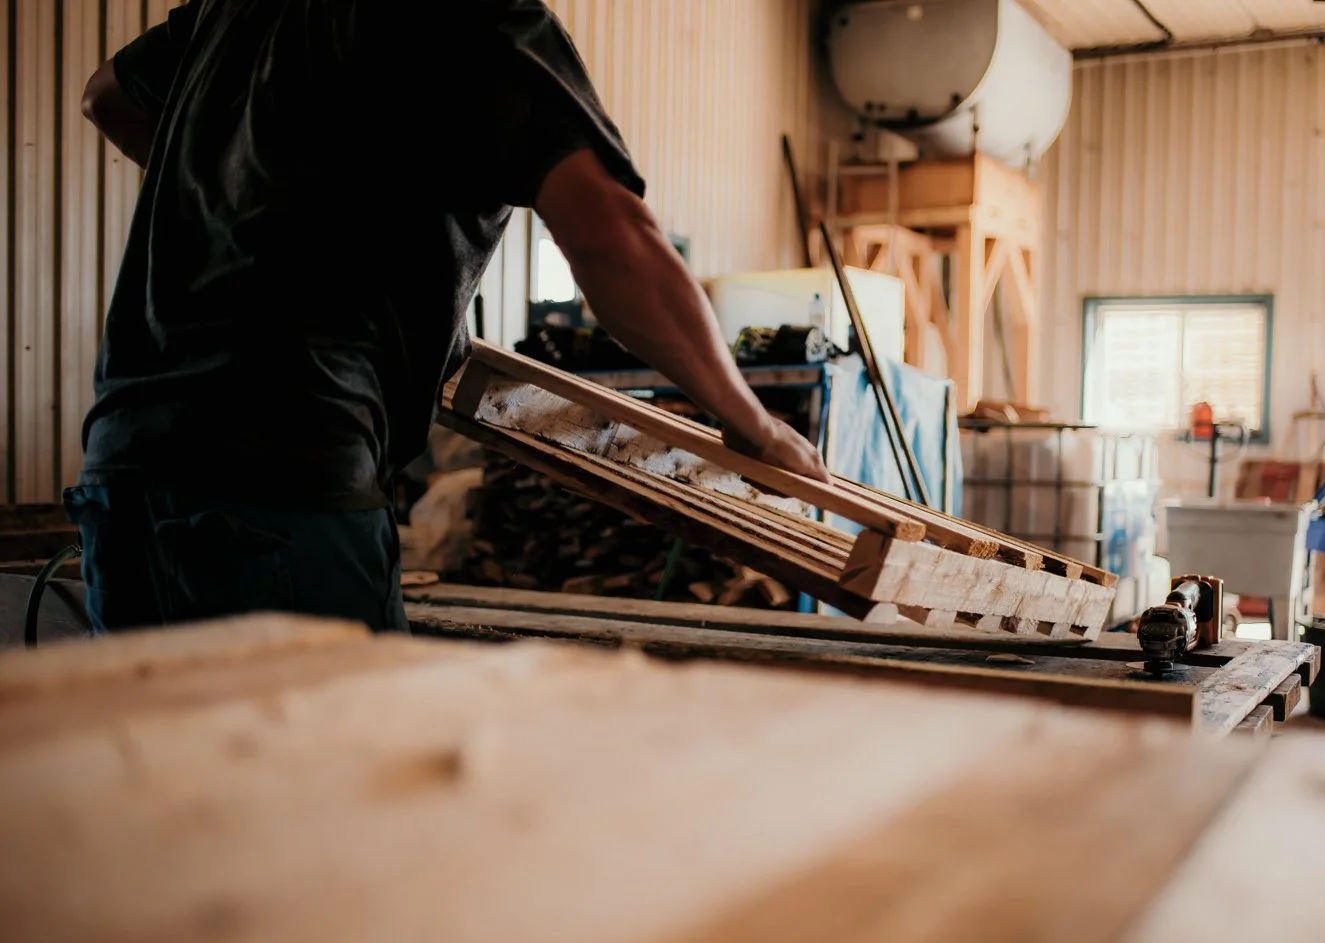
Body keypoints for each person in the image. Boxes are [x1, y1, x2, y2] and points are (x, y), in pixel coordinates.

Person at [69, 0, 829, 635]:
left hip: (125, 467)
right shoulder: (478, 14)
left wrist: (245, 213)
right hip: (284, 469)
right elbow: (610, 236)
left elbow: (107, 96)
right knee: (338, 795)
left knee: (164, 791)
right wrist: (753, 425)